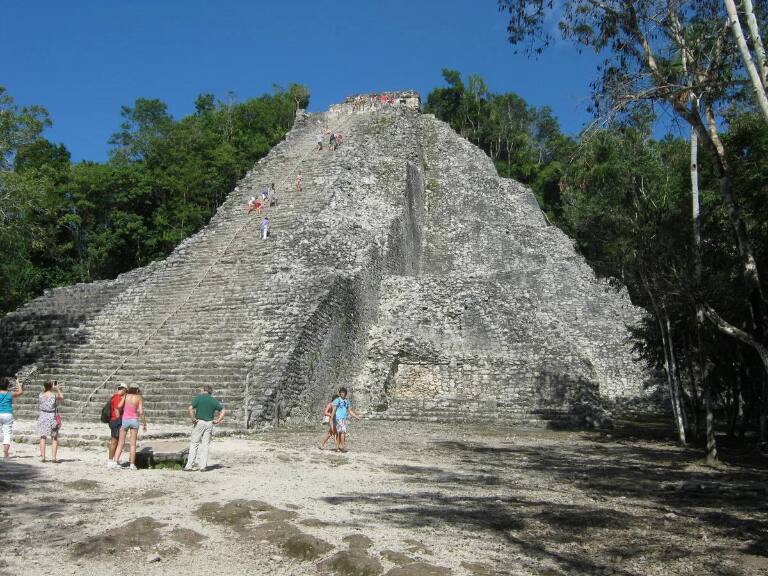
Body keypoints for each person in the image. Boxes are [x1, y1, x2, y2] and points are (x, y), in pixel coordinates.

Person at [184, 385, 226, 472]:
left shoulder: (199, 398)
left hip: (199, 422)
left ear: (203, 390)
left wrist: (193, 419)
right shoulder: (213, 400)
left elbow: (190, 408)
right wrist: (218, 420)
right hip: (209, 423)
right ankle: (203, 466)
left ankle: (189, 466)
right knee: (205, 445)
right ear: (210, 391)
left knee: (194, 443)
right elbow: (223, 410)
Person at [108, 386, 146, 470]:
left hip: (125, 420)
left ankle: (115, 462)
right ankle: (132, 465)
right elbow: (141, 411)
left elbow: (119, 406)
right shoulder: (139, 397)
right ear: (137, 390)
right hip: (134, 421)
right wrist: (144, 423)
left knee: (121, 443)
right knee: (133, 444)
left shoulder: (126, 396)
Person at [37, 380, 64, 463]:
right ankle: (53, 458)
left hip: (42, 416)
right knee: (54, 437)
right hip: (52, 416)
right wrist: (58, 389)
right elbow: (62, 397)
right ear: (52, 386)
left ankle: (43, 457)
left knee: (43, 437)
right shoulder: (54, 396)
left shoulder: (40, 395)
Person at [330, 387, 362, 453]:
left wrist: (356, 417)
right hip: (338, 418)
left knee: (340, 433)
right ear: (340, 393)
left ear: (345, 393)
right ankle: (343, 446)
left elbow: (350, 411)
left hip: (343, 419)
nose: (342, 393)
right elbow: (334, 410)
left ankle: (338, 447)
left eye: (344, 392)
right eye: (341, 392)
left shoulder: (347, 401)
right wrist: (331, 419)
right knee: (343, 432)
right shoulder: (337, 400)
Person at [0, 377, 23, 461]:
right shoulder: (10, 394)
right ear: (8, 385)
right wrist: (18, 383)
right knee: (7, 434)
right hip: (7, 414)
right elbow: (20, 392)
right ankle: (6, 455)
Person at [106, 384, 127, 465]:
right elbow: (117, 410)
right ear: (124, 390)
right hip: (115, 421)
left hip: (113, 421)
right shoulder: (118, 398)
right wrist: (120, 421)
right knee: (114, 441)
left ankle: (113, 460)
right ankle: (110, 461)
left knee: (116, 441)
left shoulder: (115, 396)